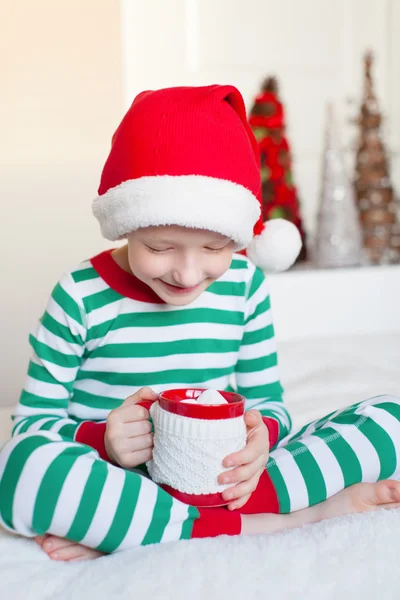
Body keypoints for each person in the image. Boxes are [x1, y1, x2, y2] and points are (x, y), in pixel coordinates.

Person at [1, 85, 399, 563]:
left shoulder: (246, 287)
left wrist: (259, 439)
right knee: (18, 471)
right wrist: (103, 439)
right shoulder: (80, 294)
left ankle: (132, 529)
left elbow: (271, 404)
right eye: (159, 247)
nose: (187, 274)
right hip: (122, 480)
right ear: (127, 223)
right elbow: (32, 426)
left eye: (214, 249)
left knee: (390, 419)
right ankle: (283, 523)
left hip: (226, 479)